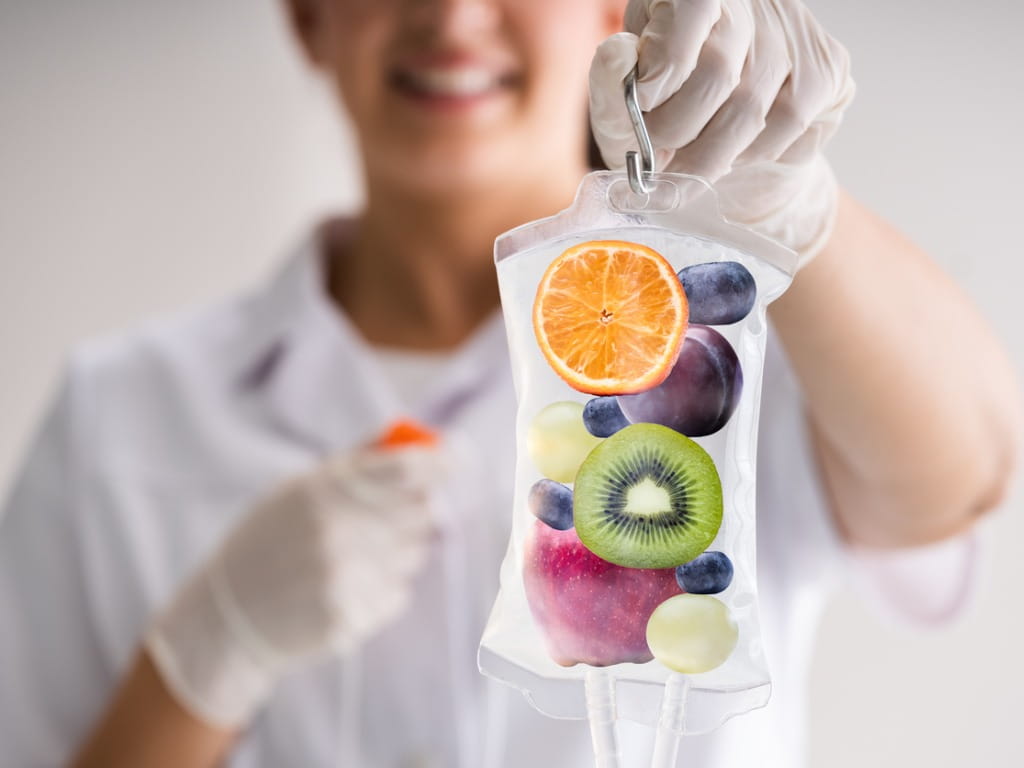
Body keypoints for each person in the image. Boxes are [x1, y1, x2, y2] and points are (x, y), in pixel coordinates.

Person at [0, 0, 1018, 766]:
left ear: (612, 13)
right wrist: (200, 661)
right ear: (308, 18)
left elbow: (967, 475)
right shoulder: (123, 414)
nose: (450, 16)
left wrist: (796, 212)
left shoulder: (733, 340)